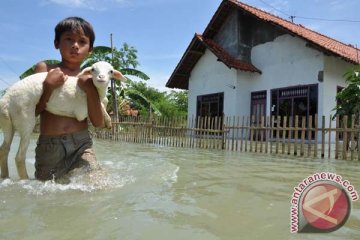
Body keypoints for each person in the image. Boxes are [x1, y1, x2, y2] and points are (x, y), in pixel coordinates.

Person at [33, 16, 104, 181]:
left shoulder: (91, 78)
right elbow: (33, 111)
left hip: (81, 144)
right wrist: (48, 87)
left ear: (90, 49)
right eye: (69, 39)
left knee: (98, 184)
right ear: (56, 43)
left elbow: (98, 123)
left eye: (82, 41)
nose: (75, 45)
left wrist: (91, 91)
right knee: (47, 194)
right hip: (50, 147)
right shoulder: (45, 70)